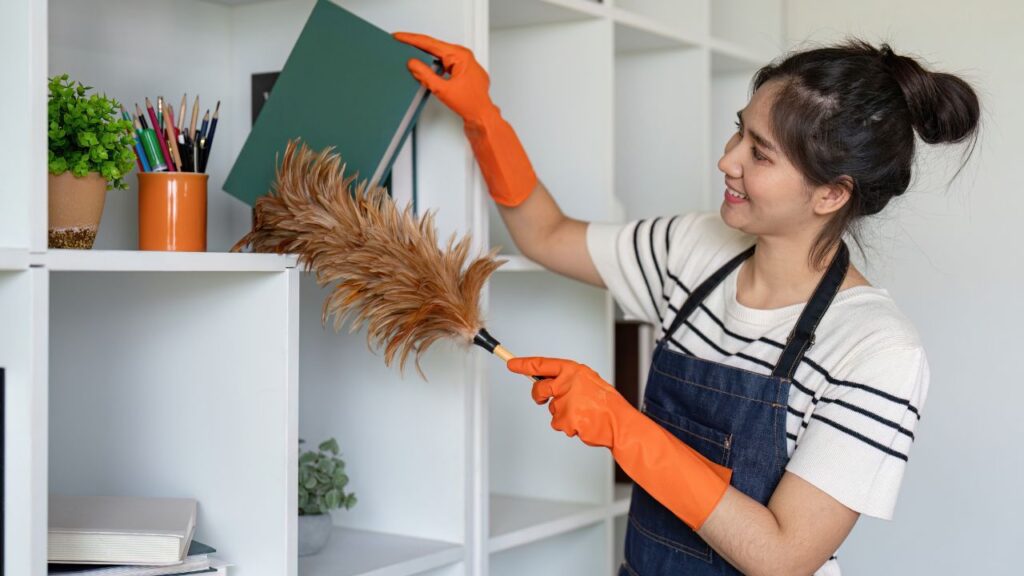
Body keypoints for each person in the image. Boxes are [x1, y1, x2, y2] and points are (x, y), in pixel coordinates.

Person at [393, 32, 979, 575]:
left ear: (831, 193)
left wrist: (624, 429)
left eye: (761, 153)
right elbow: (546, 235)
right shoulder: (693, 249)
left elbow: (782, 557)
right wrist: (483, 119)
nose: (728, 160)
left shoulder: (876, 350)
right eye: (738, 132)